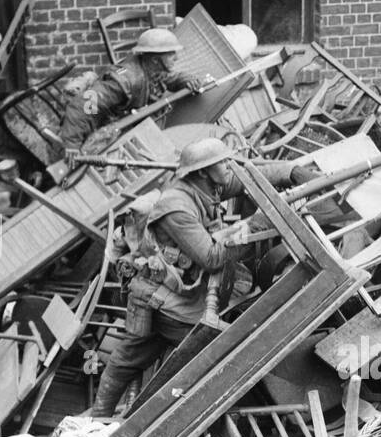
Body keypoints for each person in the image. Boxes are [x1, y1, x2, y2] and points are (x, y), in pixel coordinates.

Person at [88, 136, 318, 416]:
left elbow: (248, 178)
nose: (228, 166)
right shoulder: (176, 207)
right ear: (202, 171)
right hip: (164, 299)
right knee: (211, 353)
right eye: (221, 162)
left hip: (183, 292)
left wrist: (291, 171)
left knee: (131, 356)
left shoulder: (209, 186)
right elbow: (212, 258)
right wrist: (258, 222)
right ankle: (121, 419)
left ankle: (108, 417)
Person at [56, 28, 213, 156]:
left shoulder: (153, 68)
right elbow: (84, 105)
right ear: (154, 59)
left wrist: (188, 80)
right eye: (171, 53)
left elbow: (171, 78)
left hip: (128, 127)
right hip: (105, 135)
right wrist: (72, 145)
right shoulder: (124, 82)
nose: (176, 58)